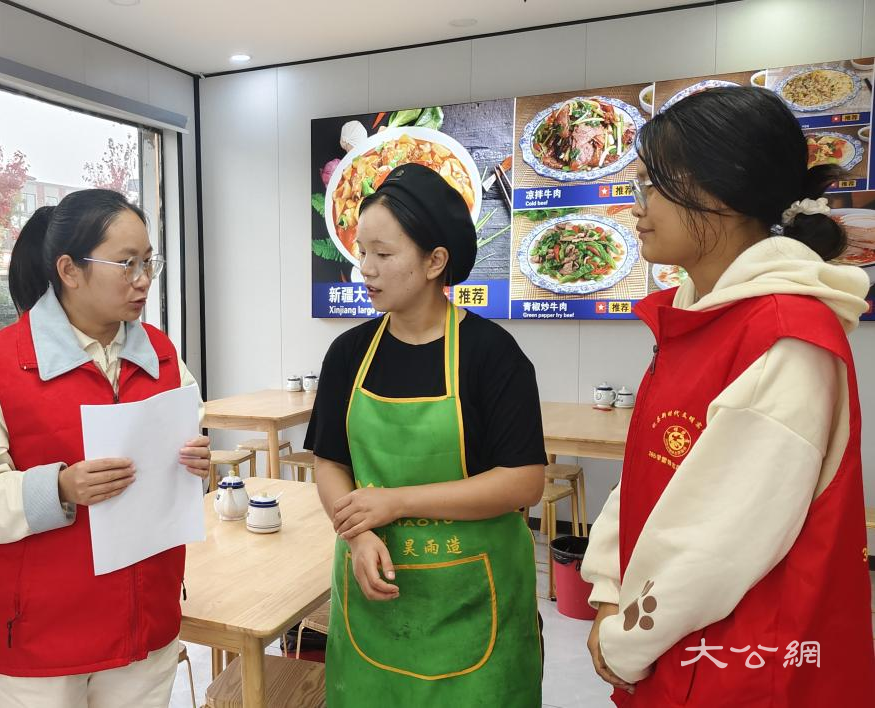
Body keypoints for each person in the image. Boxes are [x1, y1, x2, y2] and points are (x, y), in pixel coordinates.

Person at [582, 85, 875, 706]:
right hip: (678, 645)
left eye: (653, 185)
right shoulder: (699, 312)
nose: (636, 205)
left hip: (743, 666)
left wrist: (625, 640)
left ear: (719, 193)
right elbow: (645, 472)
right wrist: (609, 585)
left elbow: (718, 541)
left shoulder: (786, 336)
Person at [0, 189, 211, 707]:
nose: (143, 279)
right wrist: (56, 488)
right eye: (126, 264)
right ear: (69, 270)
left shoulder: (163, 357)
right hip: (42, 645)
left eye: (149, 262)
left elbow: (189, 445)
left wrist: (195, 464)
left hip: (145, 631)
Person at [305, 163, 546, 706]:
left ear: (436, 261)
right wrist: (357, 535)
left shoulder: (492, 354)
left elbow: (523, 481)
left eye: (383, 254)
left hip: (476, 600)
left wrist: (397, 502)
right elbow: (330, 462)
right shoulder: (348, 354)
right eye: (361, 251)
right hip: (374, 596)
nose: (365, 268)